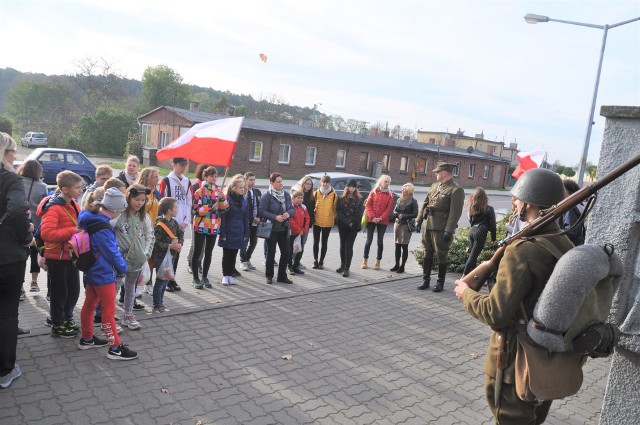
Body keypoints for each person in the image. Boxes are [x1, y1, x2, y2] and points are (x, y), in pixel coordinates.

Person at [454, 168, 573, 424]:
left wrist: (465, 294)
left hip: (514, 358)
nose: (514, 205)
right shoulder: (565, 244)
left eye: (516, 201)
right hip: (548, 357)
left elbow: (495, 313)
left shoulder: (522, 251)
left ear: (528, 204)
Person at [77, 187, 138, 360]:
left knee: (89, 304)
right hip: (102, 273)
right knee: (108, 312)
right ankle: (115, 348)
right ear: (114, 210)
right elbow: (112, 252)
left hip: (91, 269)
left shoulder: (88, 217)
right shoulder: (103, 227)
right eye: (120, 211)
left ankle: (87, 338)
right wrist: (123, 268)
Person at [0, 133, 32, 388]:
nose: (16, 156)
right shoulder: (11, 179)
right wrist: (26, 237)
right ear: (5, 153)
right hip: (8, 256)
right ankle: (5, 370)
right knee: (7, 313)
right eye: (14, 151)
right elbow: (19, 210)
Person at [37, 170, 84, 337]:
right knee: (59, 293)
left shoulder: (74, 203)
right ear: (65, 189)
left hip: (71, 255)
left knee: (73, 291)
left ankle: (67, 318)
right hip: (56, 257)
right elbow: (47, 234)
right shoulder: (54, 208)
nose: (81, 190)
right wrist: (73, 231)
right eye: (77, 187)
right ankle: (58, 324)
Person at [416, 162, 465, 292]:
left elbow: (455, 213)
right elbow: (425, 204)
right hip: (429, 225)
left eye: (437, 172)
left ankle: (440, 282)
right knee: (427, 253)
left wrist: (449, 230)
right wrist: (419, 220)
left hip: (441, 228)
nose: (436, 174)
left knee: (441, 255)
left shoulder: (456, 190)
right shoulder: (434, 186)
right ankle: (425, 280)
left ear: (444, 173)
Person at [114, 184, 154, 330]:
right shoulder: (118, 215)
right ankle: (110, 318)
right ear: (129, 197)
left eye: (143, 200)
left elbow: (150, 236)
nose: (140, 203)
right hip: (119, 260)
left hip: (137, 261)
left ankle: (128, 315)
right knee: (114, 289)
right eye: (137, 199)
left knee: (131, 288)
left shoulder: (145, 218)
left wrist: (146, 254)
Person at [191, 166, 229, 289]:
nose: (214, 178)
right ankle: (195, 278)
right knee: (197, 252)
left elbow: (226, 207)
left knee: (209, 253)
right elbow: (195, 210)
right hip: (201, 225)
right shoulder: (199, 192)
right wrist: (211, 206)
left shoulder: (218, 192)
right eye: (211, 176)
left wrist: (222, 200)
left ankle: (205, 276)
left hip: (213, 226)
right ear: (205, 177)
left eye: (215, 176)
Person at [159, 157, 192, 292]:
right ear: (174, 165)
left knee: (177, 252)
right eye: (180, 165)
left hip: (181, 224)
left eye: (185, 165)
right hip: (169, 224)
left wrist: (186, 221)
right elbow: (162, 202)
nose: (183, 168)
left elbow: (189, 202)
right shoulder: (167, 181)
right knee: (169, 253)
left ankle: (172, 279)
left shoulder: (187, 181)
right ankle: (165, 280)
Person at [16, 160, 48, 293]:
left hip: (20, 223)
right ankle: (34, 282)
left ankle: (20, 286)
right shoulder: (43, 186)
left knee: (21, 254)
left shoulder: (17, 182)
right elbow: (45, 206)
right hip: (37, 224)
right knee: (35, 253)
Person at [259, 172, 294, 284]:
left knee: (286, 252)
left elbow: (292, 209)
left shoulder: (286, 195)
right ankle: (269, 276)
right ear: (271, 183)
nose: (280, 184)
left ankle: (282, 276)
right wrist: (275, 217)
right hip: (271, 229)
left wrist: (288, 213)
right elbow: (261, 211)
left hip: (284, 229)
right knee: (271, 253)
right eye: (278, 182)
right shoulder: (267, 196)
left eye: (281, 181)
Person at [151, 198, 183, 313]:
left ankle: (161, 302)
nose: (177, 209)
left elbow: (180, 234)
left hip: (172, 256)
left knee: (166, 280)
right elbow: (155, 243)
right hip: (162, 257)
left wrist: (180, 244)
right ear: (169, 210)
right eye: (176, 207)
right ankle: (157, 304)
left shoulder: (174, 222)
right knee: (161, 280)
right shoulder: (159, 224)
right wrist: (170, 246)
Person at [219, 177, 249, 285]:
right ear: (233, 188)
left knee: (234, 254)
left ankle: (230, 274)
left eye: (243, 188)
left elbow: (246, 217)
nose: (242, 190)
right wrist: (223, 233)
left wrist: (246, 232)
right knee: (227, 254)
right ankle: (225, 275)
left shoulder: (243, 200)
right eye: (240, 188)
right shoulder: (227, 199)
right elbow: (223, 217)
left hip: (239, 230)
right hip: (229, 230)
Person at [137, 167, 162, 295]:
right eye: (155, 177)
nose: (158, 179)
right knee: (140, 258)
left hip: (153, 229)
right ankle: (136, 286)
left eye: (158, 177)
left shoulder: (157, 193)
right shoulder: (140, 192)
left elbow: (160, 209)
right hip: (140, 230)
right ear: (147, 178)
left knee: (151, 258)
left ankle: (149, 283)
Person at [362, 174, 394, 270]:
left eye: (388, 182)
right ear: (381, 182)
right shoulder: (373, 191)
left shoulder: (390, 195)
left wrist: (380, 218)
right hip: (371, 219)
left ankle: (378, 261)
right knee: (369, 240)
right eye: (385, 181)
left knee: (380, 241)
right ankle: (365, 260)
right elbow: (367, 206)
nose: (387, 183)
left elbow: (388, 210)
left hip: (382, 221)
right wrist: (373, 216)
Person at [462, 187, 497, 276]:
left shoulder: (472, 208)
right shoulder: (489, 209)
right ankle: (464, 276)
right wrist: (493, 238)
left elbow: (470, 220)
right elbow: (493, 225)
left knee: (473, 255)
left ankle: (473, 276)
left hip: (472, 231)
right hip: (481, 232)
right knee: (473, 256)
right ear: (484, 198)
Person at [335, 179, 364, 277]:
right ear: (346, 187)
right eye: (349, 186)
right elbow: (338, 211)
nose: (351, 188)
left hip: (353, 226)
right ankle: (342, 265)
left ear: (355, 188)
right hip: (342, 225)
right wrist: (347, 221)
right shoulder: (341, 198)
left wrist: (351, 222)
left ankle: (347, 268)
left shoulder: (359, 199)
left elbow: (359, 214)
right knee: (342, 245)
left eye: (353, 186)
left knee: (349, 246)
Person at [187, 163, 211, 275]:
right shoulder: (196, 186)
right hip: (196, 219)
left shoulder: (211, 188)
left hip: (208, 220)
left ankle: (199, 262)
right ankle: (191, 262)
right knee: (195, 243)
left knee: (204, 244)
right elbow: (192, 204)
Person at [390, 183, 419, 274]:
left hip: (406, 226)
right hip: (397, 224)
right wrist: (397, 215)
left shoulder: (413, 201)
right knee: (397, 245)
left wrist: (405, 216)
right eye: (402, 189)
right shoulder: (399, 200)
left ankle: (402, 266)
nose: (402, 191)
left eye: (404, 190)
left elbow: (415, 214)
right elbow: (395, 211)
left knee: (404, 246)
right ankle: (396, 264)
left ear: (409, 191)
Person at [312, 175, 337, 269]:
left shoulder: (334, 195)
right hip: (317, 221)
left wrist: (331, 217)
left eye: (327, 182)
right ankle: (315, 260)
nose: (325, 184)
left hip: (328, 222)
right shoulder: (316, 193)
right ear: (321, 183)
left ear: (330, 183)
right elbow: (313, 206)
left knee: (324, 242)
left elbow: (335, 209)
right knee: (316, 242)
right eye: (324, 182)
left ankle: (321, 261)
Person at [290, 175, 315, 269]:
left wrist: (307, 226)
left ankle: (297, 262)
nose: (308, 186)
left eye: (310, 184)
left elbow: (310, 212)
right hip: (296, 226)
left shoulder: (312, 196)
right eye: (307, 183)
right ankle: (291, 262)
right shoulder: (298, 193)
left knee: (302, 244)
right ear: (303, 184)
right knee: (293, 245)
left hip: (305, 226)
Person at [240, 172, 262, 271]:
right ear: (245, 180)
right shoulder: (243, 192)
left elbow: (260, 207)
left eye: (254, 180)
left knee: (254, 242)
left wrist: (259, 217)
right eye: (250, 180)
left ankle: (248, 259)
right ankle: (243, 261)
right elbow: (245, 209)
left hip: (256, 222)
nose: (253, 182)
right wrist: (252, 218)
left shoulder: (257, 192)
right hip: (246, 221)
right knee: (244, 242)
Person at [288, 190, 311, 275]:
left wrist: (304, 230)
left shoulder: (304, 207)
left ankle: (296, 266)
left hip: (301, 233)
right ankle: (289, 266)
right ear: (293, 198)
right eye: (298, 198)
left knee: (300, 250)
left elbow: (307, 219)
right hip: (292, 233)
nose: (300, 199)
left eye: (301, 198)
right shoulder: (290, 207)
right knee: (290, 250)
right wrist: (298, 230)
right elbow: (290, 220)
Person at [558, 179, 586, 246]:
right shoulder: (578, 205)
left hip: (568, 246)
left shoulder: (570, 208)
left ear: (570, 192)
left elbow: (570, 232)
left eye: (562, 190)